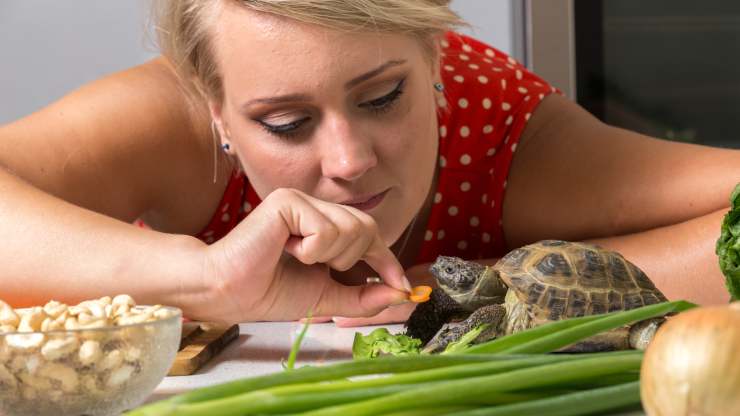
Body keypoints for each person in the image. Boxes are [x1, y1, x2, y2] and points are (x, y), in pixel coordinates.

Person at [0, 0, 735, 327]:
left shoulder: (507, 139)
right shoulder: (174, 130)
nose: (349, 162)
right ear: (217, 112)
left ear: (437, 60)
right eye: (285, 123)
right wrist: (214, 279)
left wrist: (499, 290)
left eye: (383, 97)